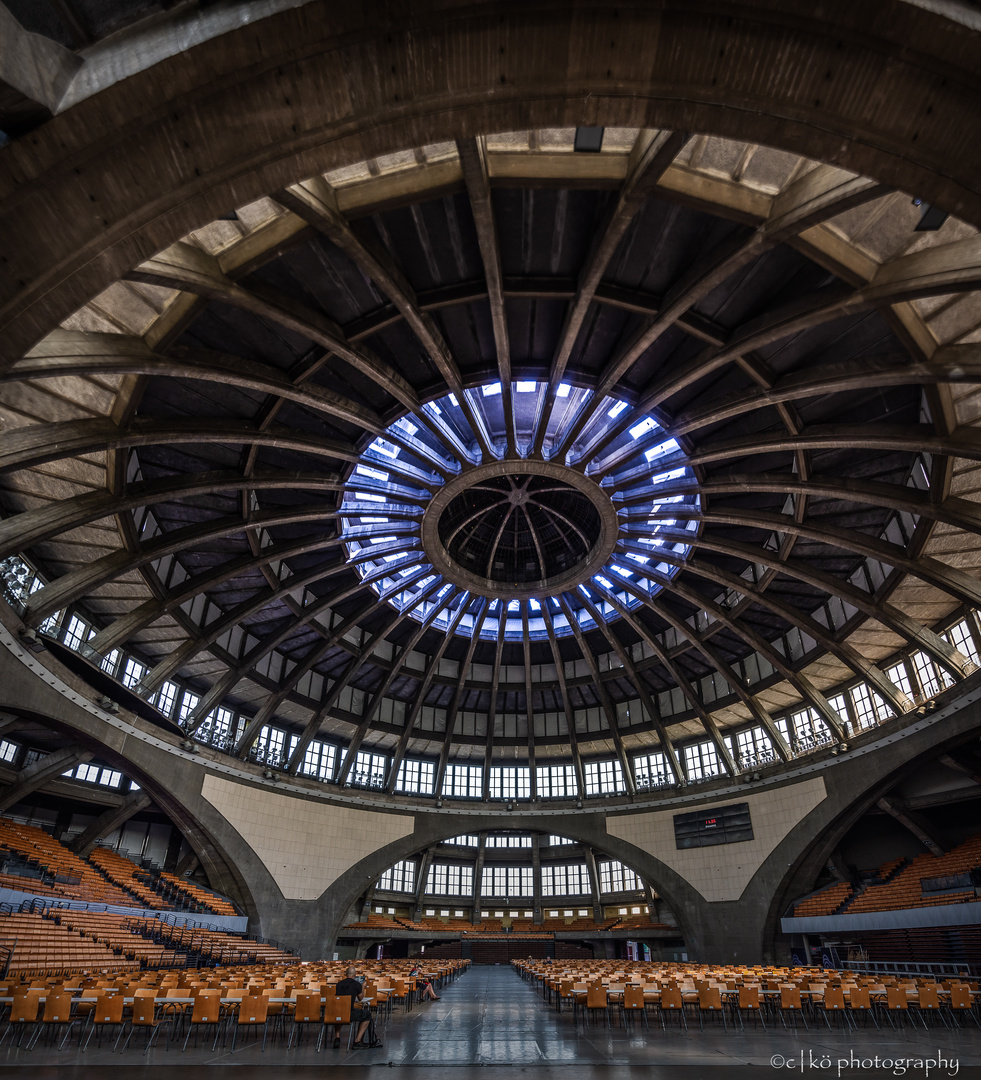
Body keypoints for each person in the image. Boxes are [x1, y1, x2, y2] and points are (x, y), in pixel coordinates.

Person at [333, 966, 381, 1049]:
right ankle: (357, 1041)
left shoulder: (339, 984)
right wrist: (363, 987)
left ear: (345, 974)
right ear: (355, 975)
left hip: (337, 1012)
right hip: (349, 1013)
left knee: (339, 1014)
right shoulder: (357, 984)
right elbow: (360, 998)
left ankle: (337, 1037)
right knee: (367, 1015)